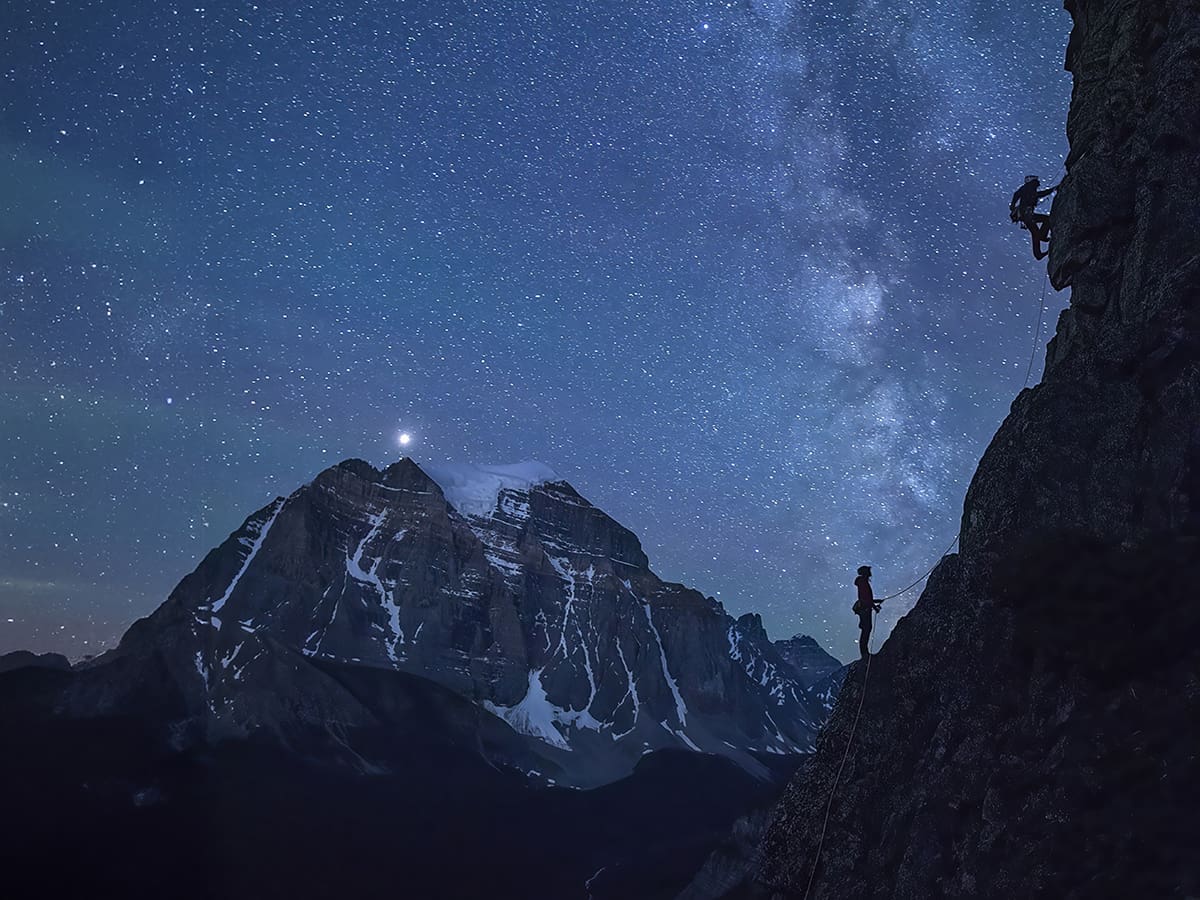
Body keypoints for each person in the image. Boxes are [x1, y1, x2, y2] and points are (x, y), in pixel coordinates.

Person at [1010, 175, 1059, 260]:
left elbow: (1016, 194)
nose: (1038, 182)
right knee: (1045, 221)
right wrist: (1053, 189)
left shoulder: (1025, 188)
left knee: (1035, 232)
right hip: (1027, 215)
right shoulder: (1029, 188)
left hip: (1025, 215)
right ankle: (1041, 239)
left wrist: (1013, 204)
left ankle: (1038, 253)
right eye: (1037, 181)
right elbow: (1038, 194)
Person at [852, 565, 881, 661]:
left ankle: (864, 653)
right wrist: (874, 606)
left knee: (866, 629)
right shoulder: (863, 582)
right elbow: (865, 597)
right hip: (865, 608)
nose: (870, 573)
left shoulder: (862, 581)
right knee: (866, 629)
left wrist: (875, 602)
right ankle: (865, 654)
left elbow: (865, 597)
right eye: (869, 571)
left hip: (864, 608)